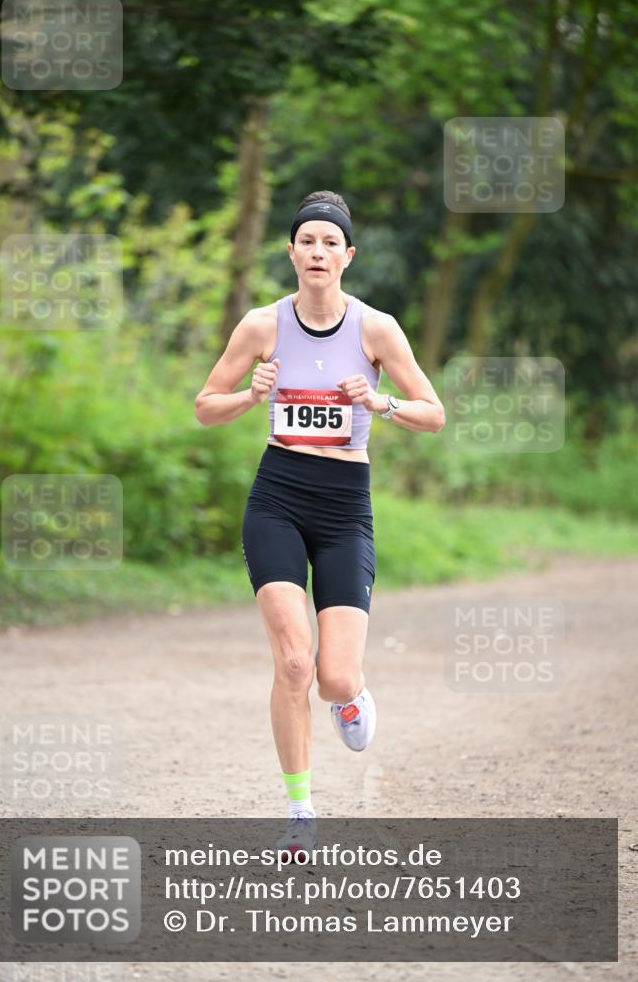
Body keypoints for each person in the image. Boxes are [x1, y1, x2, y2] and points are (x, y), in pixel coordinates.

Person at [194, 190, 445, 856]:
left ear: (347, 256)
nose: (317, 251)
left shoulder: (376, 330)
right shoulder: (261, 326)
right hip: (276, 498)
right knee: (293, 663)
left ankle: (351, 696)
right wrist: (249, 395)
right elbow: (205, 405)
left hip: (344, 509)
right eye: (307, 240)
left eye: (330, 242)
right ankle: (300, 810)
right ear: (290, 252)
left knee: (333, 676)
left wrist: (381, 403)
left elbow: (433, 413)